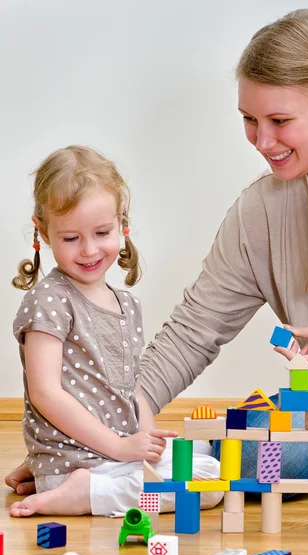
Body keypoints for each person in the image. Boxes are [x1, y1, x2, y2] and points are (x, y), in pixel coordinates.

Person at [7, 8, 308, 498]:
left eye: (279, 120)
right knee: (260, 458)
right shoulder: (265, 212)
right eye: (249, 120)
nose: (262, 141)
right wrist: (87, 441)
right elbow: (193, 331)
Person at [8, 145, 223, 517]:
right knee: (206, 486)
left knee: (204, 459)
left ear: (122, 222)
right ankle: (77, 492)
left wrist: (146, 437)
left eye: (102, 232)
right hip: (85, 458)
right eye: (70, 238)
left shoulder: (127, 304)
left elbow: (130, 385)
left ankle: (74, 482)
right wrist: (122, 449)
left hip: (111, 454)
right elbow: (45, 393)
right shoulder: (50, 300)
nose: (89, 250)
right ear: (42, 231)